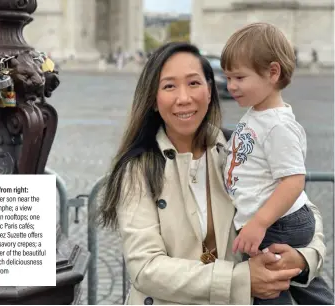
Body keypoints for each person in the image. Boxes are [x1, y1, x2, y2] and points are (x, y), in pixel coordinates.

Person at [98, 41, 326, 305]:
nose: (184, 98)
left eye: (194, 83)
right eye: (169, 86)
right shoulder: (137, 169)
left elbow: (302, 211)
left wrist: (302, 259)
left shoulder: (241, 148)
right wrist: (241, 280)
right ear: (153, 100)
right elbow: (145, 268)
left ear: (210, 91)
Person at [221, 22, 333, 304]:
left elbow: (294, 180)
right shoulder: (259, 113)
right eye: (228, 78)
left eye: (239, 78)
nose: (230, 86)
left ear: (272, 72)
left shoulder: (277, 126)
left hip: (275, 223)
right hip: (273, 218)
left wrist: (258, 222)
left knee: (267, 286)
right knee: (295, 277)